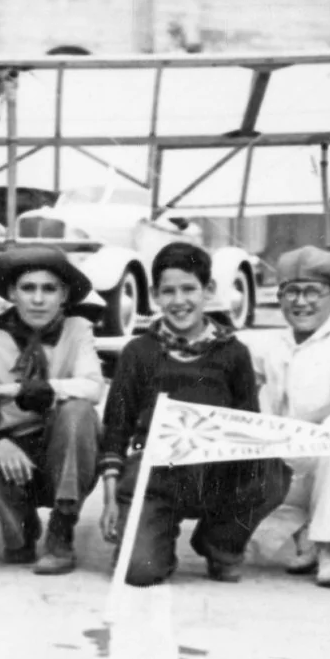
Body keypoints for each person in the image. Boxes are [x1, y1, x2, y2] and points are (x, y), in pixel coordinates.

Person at [98, 243, 285, 586]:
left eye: (189, 289)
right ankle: (155, 537)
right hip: (155, 475)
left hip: (215, 470)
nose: (178, 300)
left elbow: (248, 423)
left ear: (209, 290)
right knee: (139, 572)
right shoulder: (139, 352)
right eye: (168, 291)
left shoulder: (233, 353)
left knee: (272, 468)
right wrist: (110, 498)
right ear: (154, 295)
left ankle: (220, 543)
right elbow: (116, 426)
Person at [0, 245, 104, 574]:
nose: (38, 299)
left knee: (78, 411)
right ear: (13, 293)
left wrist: (26, 390)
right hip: (16, 457)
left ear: (64, 295)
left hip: (67, 452)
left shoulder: (77, 330)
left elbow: (93, 387)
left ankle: (62, 530)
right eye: (28, 288)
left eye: (49, 289)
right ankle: (22, 530)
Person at [253, 247, 330, 588]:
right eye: (291, 291)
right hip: (283, 466)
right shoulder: (272, 343)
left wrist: (298, 426)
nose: (300, 302)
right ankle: (303, 533)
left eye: (312, 292)